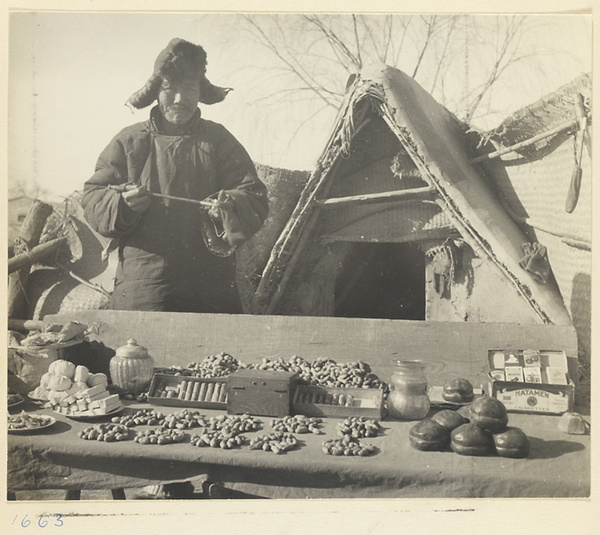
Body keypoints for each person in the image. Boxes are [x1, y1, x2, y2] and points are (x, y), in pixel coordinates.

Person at [82, 38, 268, 314]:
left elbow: (253, 196)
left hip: (210, 286)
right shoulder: (129, 141)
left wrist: (226, 207)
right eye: (170, 89)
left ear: (199, 92)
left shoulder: (218, 140)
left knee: (215, 358)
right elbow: (93, 197)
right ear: (157, 92)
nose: (179, 99)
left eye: (189, 88)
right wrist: (123, 205)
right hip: (145, 285)